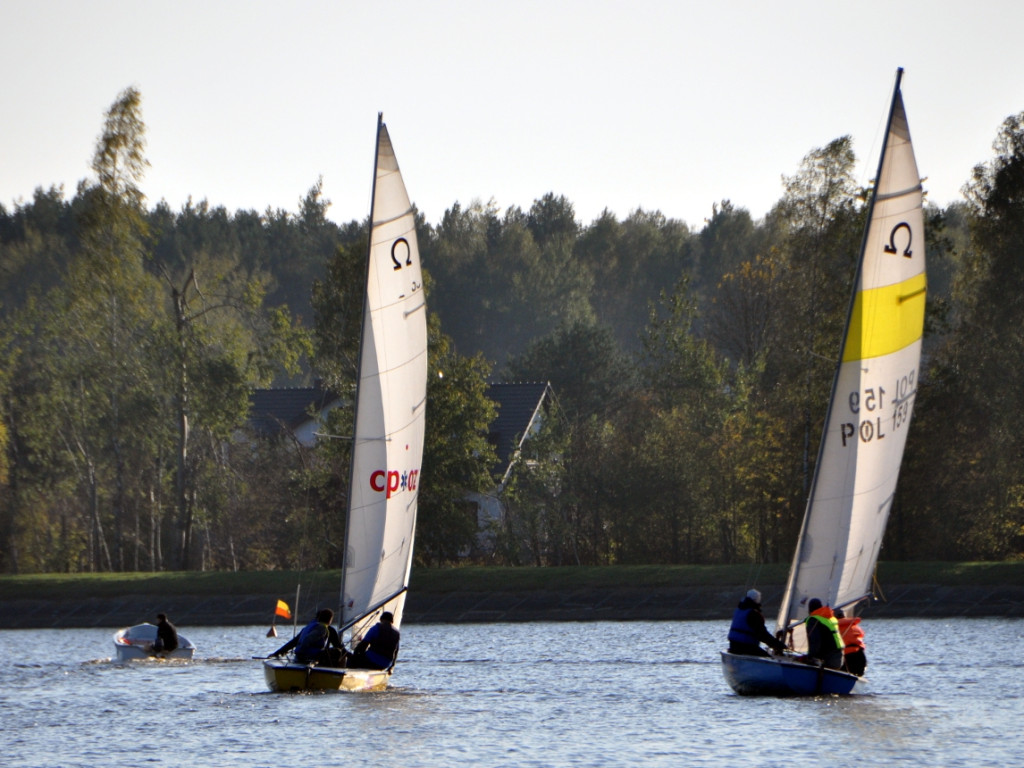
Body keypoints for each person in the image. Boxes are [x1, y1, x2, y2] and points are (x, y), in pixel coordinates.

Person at [271, 608, 346, 667]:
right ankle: (334, 673)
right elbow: (306, 640)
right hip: (308, 656)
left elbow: (294, 642)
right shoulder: (322, 628)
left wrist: (277, 653)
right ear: (329, 620)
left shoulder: (308, 627)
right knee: (337, 652)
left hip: (301, 655)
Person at [727, 589, 786, 656]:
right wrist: (778, 645)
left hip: (733, 646)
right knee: (768, 657)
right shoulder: (753, 614)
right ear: (757, 599)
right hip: (746, 647)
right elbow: (762, 635)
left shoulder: (739, 610)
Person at [803, 598, 844, 670]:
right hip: (838, 658)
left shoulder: (813, 620)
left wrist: (809, 657)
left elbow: (815, 642)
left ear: (810, 609)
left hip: (826, 660)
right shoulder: (831, 618)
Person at [834, 607, 867, 676]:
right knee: (859, 674)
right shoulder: (855, 626)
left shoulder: (834, 628)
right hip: (859, 654)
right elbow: (862, 635)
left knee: (843, 674)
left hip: (846, 657)